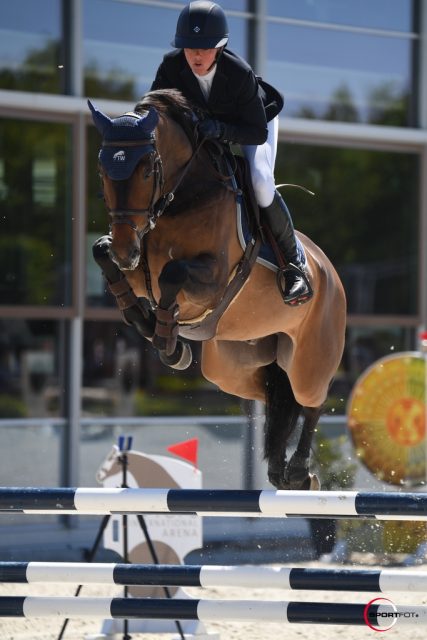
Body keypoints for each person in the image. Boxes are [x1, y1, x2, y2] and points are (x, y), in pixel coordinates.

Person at [150, 0, 312, 305]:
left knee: (260, 180)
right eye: (190, 48)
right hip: (205, 131)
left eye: (204, 48)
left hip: (252, 123)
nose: (196, 56)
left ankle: (294, 265)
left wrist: (221, 130)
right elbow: (154, 113)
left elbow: (256, 132)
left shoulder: (238, 73)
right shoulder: (171, 67)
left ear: (220, 47)